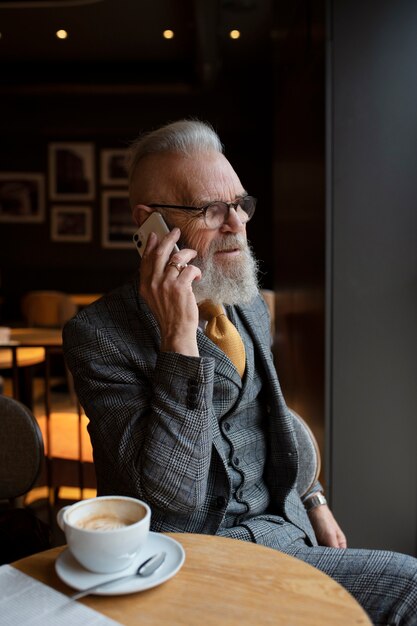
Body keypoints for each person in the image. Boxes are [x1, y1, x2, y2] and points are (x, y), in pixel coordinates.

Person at [63, 119, 417, 625]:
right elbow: (173, 497)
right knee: (411, 586)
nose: (237, 224)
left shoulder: (248, 304)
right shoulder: (98, 335)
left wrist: (313, 496)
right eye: (211, 209)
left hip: (286, 534)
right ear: (150, 224)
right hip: (189, 560)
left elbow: (273, 417)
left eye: (240, 204)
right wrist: (179, 341)